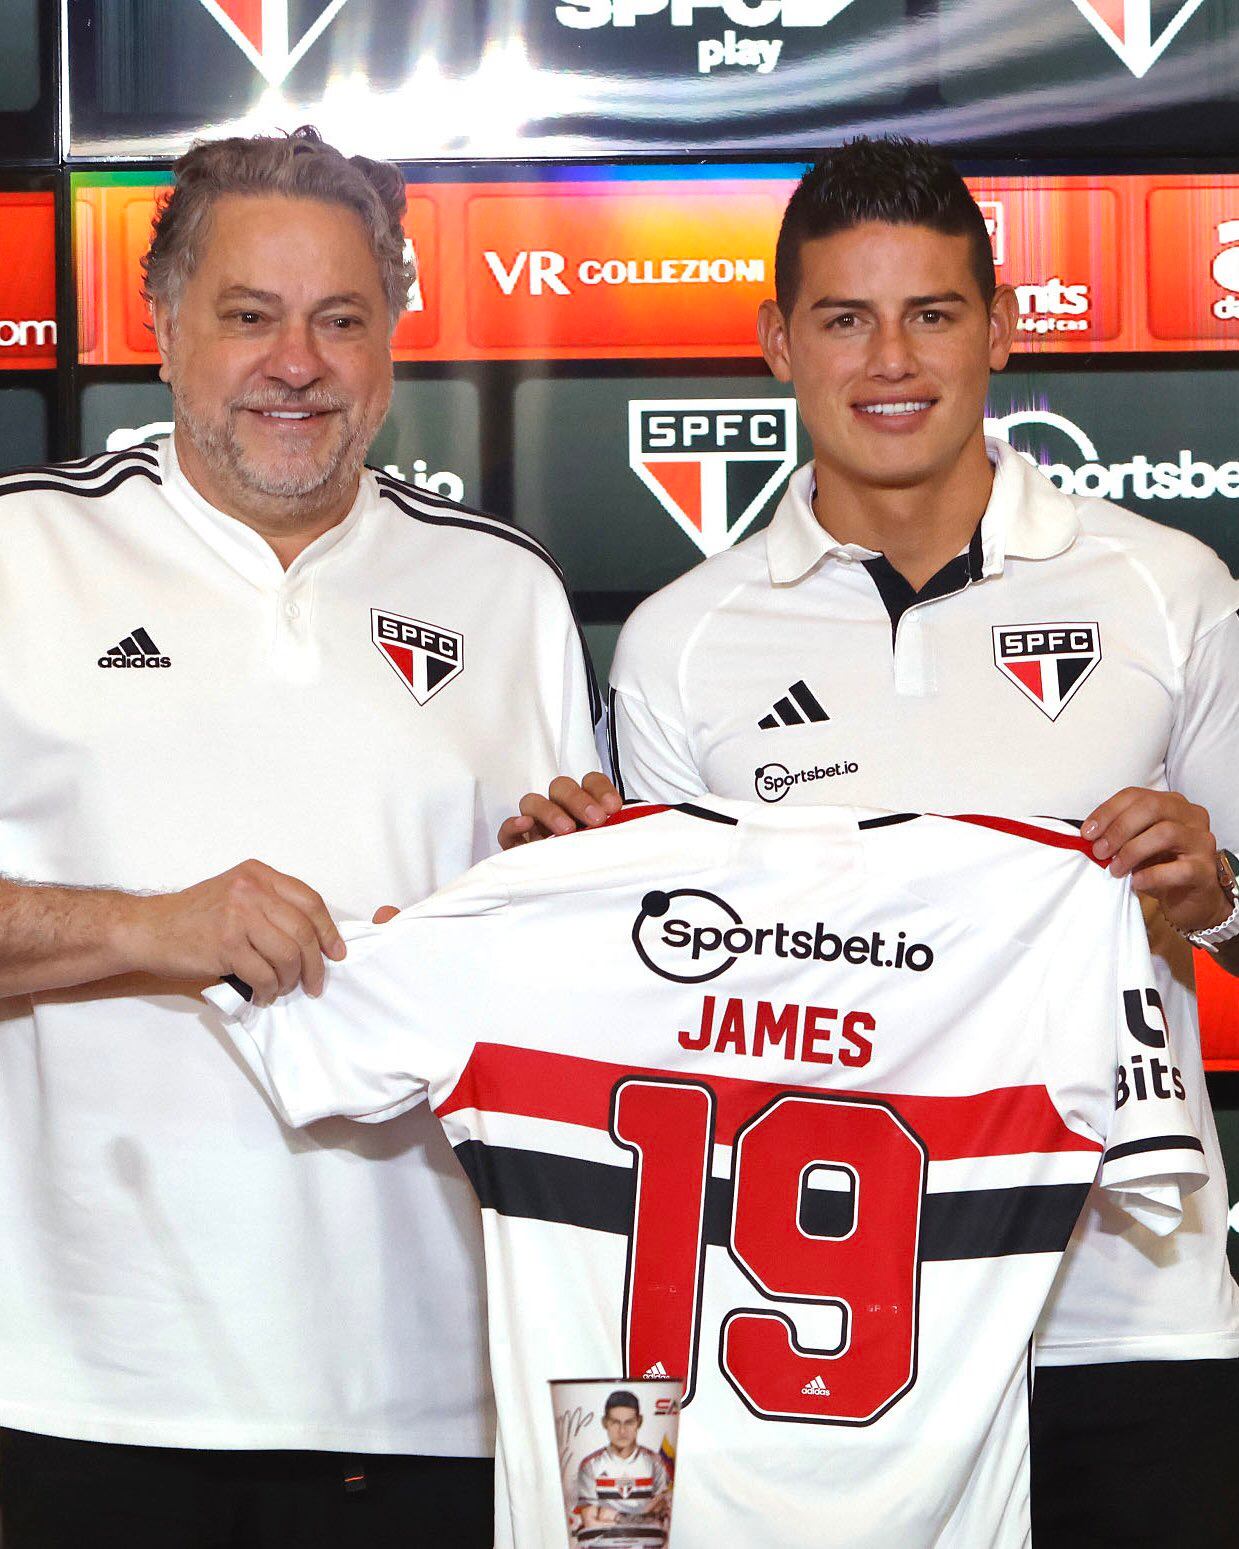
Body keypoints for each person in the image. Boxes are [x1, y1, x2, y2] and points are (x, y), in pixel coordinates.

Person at [502, 138, 1239, 1546]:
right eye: (842, 317)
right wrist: (569, 901)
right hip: (818, 1341)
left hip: (1122, 1325)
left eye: (931, 313)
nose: (888, 360)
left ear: (1001, 328)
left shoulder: (1166, 588)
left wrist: (1213, 896)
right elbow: (674, 1024)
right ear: (776, 339)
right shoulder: (678, 644)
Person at [0, 127, 601, 1547]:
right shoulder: (21, 555)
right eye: (250, 316)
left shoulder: (505, 594)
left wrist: (572, 881)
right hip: (86, 1394)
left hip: (435, 1402)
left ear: (392, 339)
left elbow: (587, 1001)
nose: (298, 362)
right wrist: (153, 929)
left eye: (340, 319)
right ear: (160, 330)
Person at [575, 1390, 671, 1537]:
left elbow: (660, 1519)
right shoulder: (591, 1465)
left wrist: (613, 1515)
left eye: (629, 1422)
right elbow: (591, 1523)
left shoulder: (655, 1463)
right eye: (615, 1422)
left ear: (639, 1421)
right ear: (605, 1423)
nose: (622, 1430)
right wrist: (641, 1518)